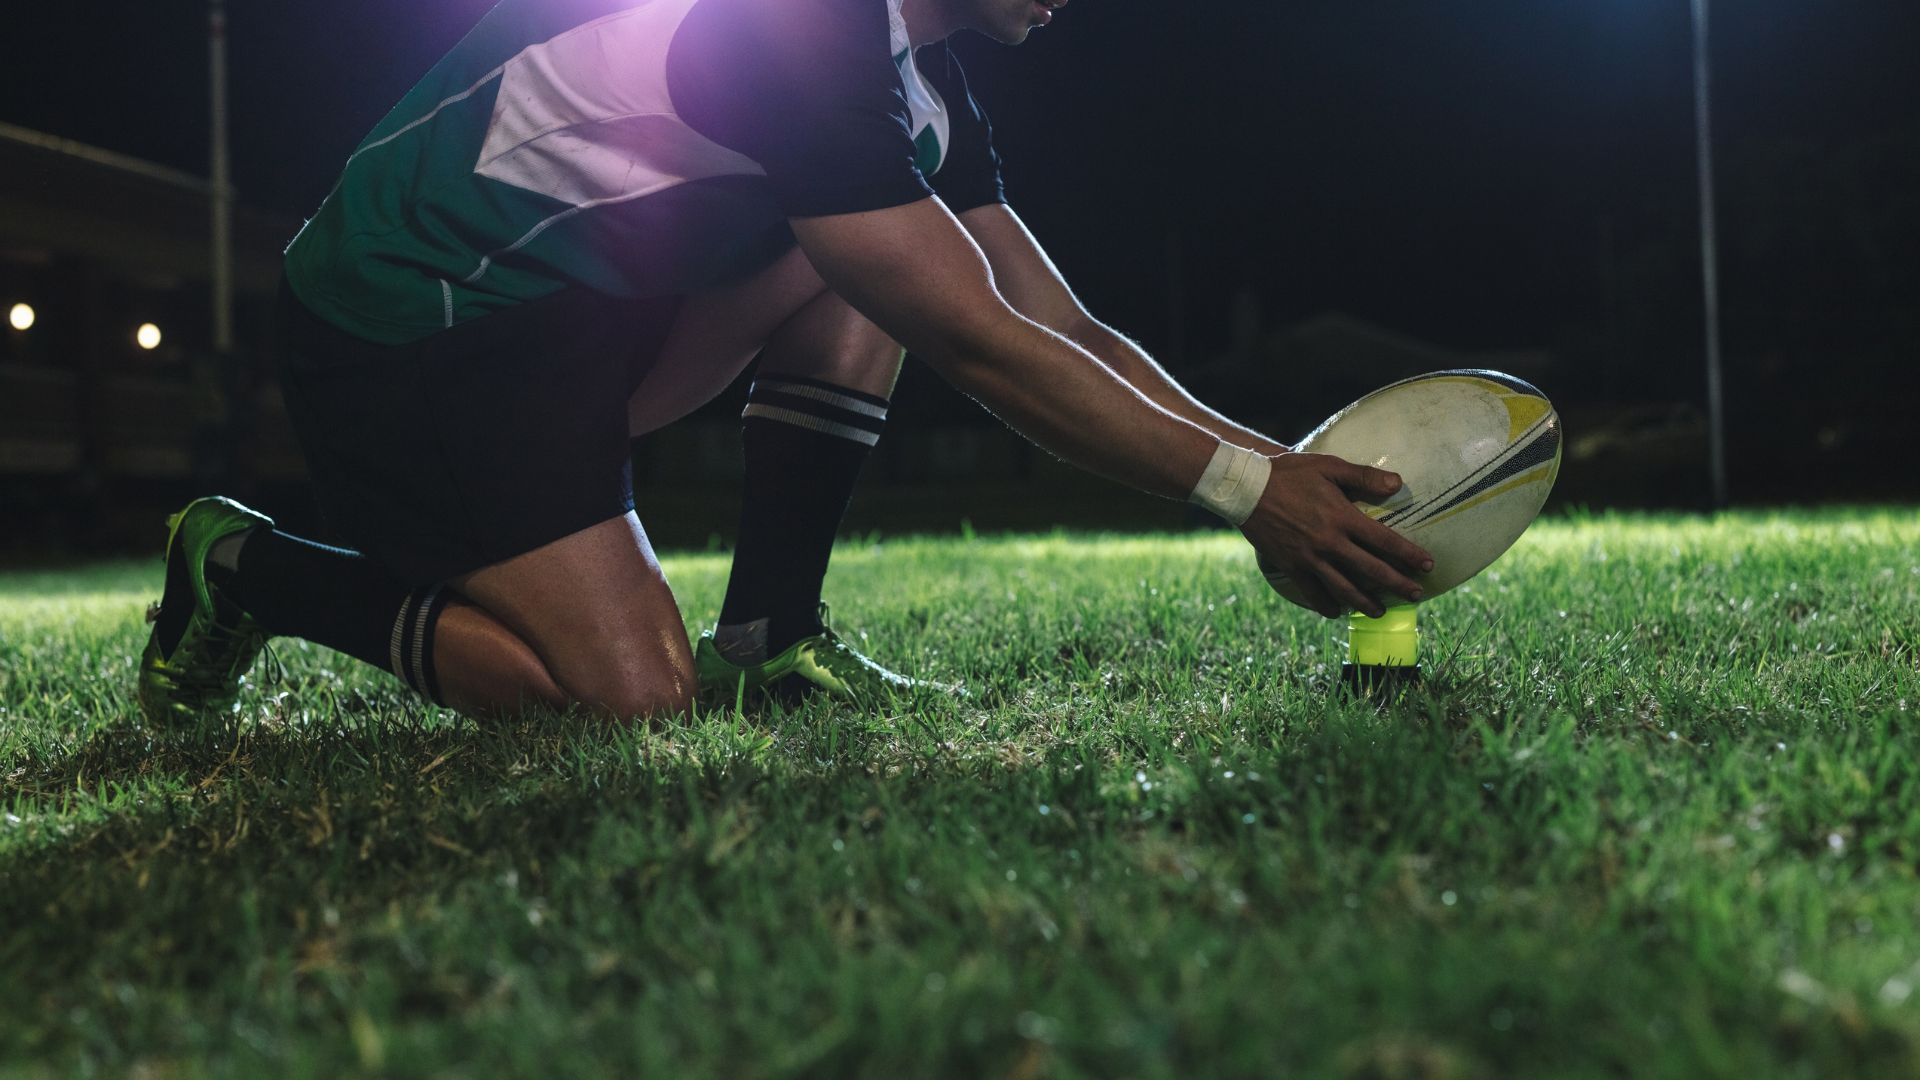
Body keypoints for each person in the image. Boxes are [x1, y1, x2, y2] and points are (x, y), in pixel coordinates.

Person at [137, 0, 1433, 725]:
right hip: (414, 329)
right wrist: (1246, 500)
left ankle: (770, 634)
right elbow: (984, 343)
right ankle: (249, 567)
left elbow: (1062, 325)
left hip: (584, 316)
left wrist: (1289, 474)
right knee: (629, 704)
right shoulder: (800, 33)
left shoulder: (916, 84)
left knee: (889, 254)